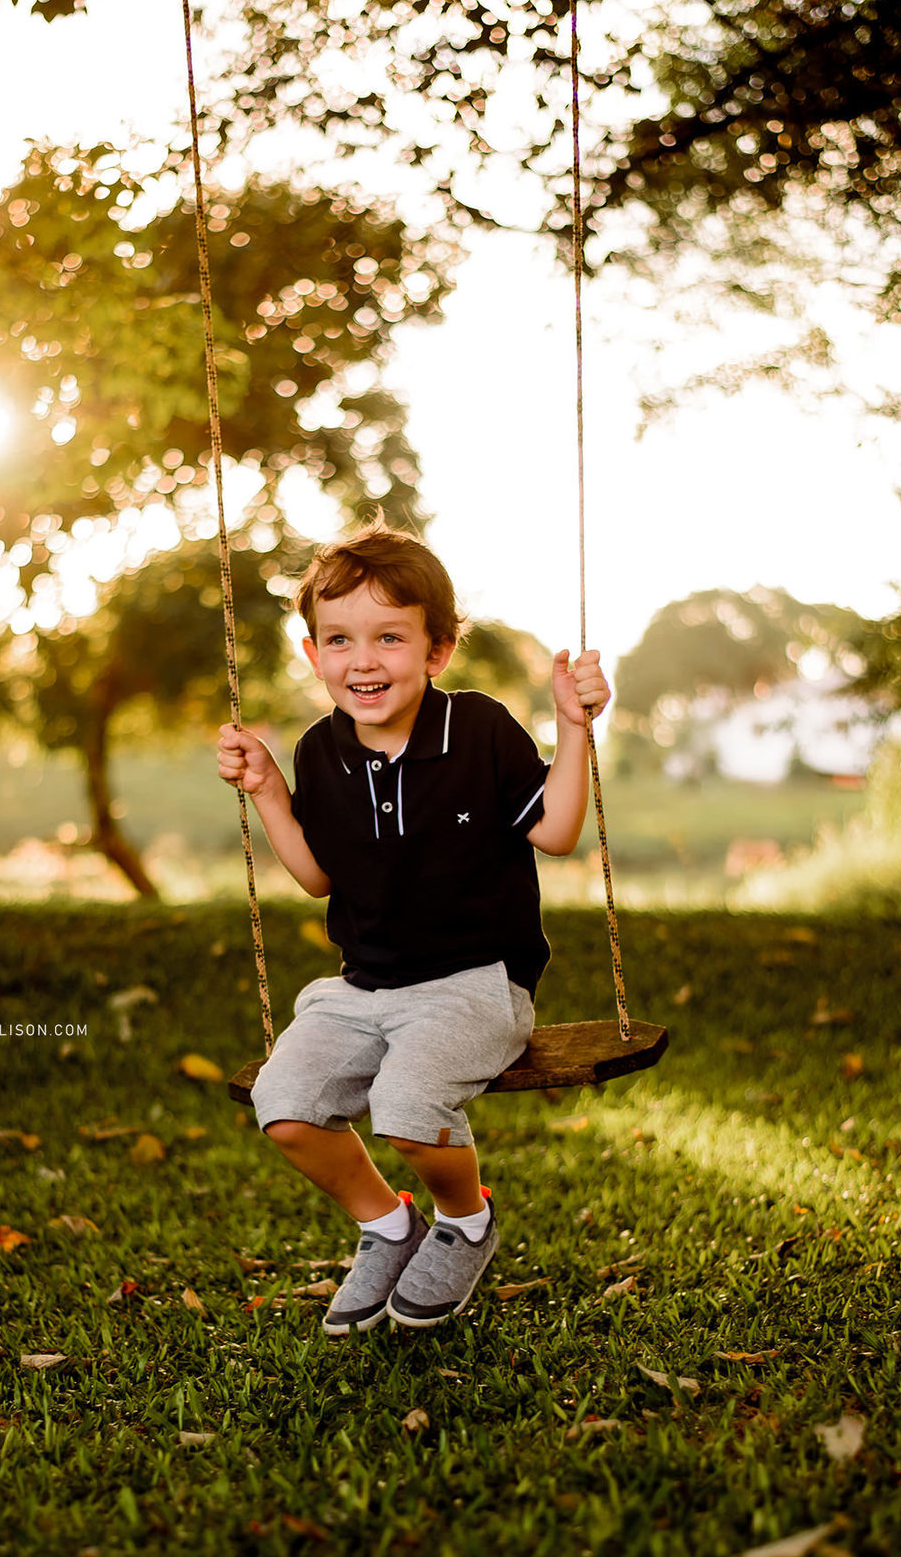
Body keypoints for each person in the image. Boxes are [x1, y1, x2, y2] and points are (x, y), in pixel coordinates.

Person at [217, 524, 610, 1335]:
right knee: (282, 1104)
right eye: (340, 640)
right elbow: (322, 876)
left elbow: (560, 830)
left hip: (474, 982)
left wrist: (574, 727)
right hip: (361, 984)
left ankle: (465, 1220)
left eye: (389, 638)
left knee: (405, 1105)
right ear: (312, 651)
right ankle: (386, 1226)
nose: (363, 661)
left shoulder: (478, 729)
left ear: (437, 649)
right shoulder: (319, 751)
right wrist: (268, 792)